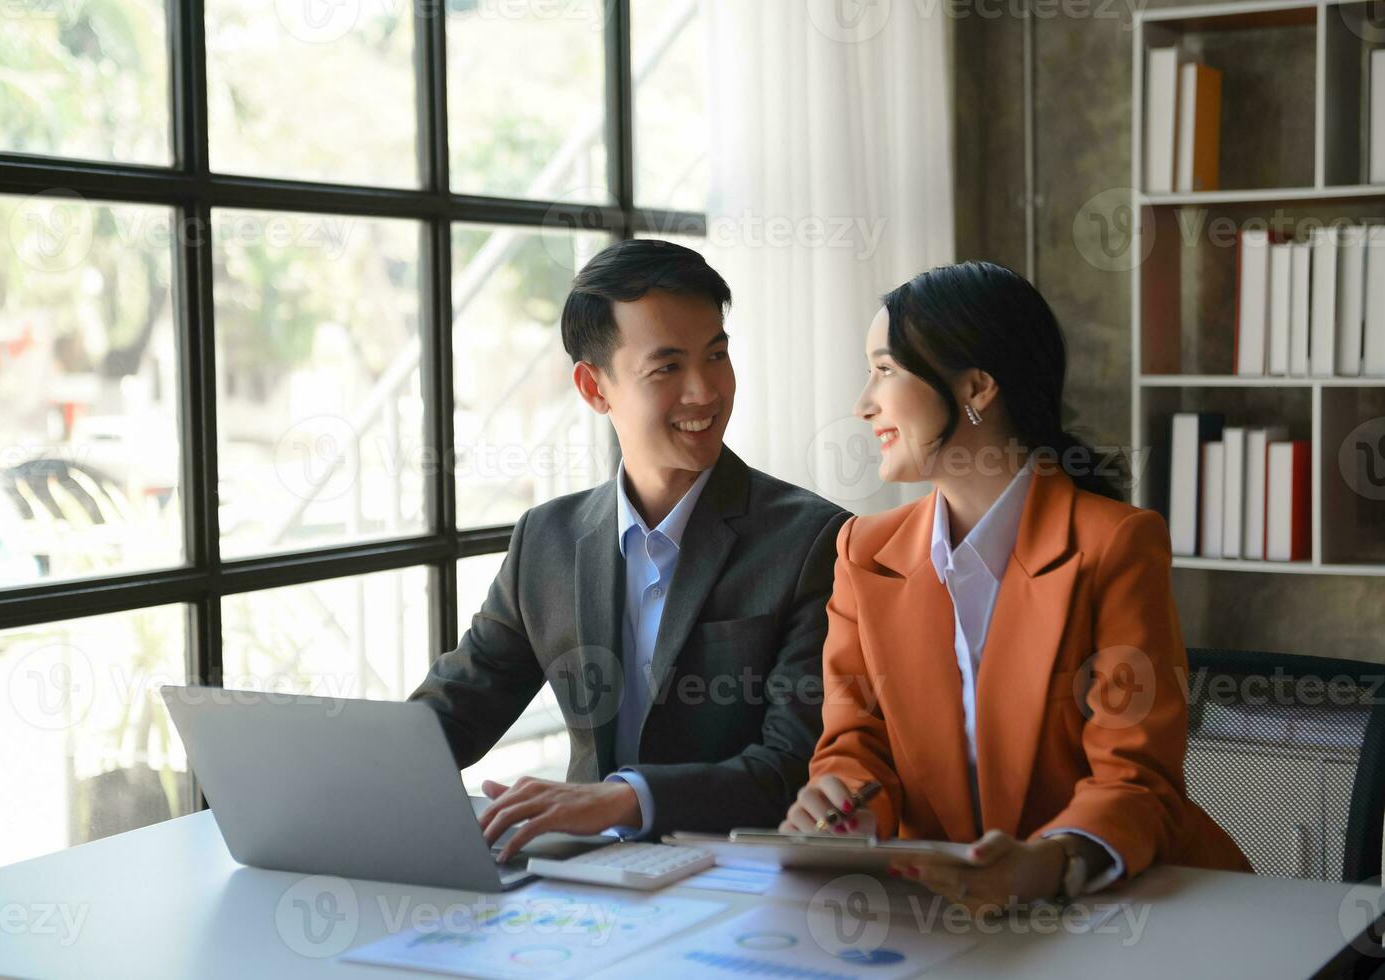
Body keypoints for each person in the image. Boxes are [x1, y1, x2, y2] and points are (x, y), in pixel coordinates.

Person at [782, 261, 1250, 910]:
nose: (864, 404)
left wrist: (1046, 863)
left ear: (976, 388)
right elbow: (857, 745)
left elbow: (1137, 782)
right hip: (944, 910)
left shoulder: (1114, 545)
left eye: (885, 370)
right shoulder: (864, 551)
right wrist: (841, 804)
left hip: (1122, 904)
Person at [412, 239, 848, 862]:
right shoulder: (547, 539)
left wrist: (622, 799)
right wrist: (338, 772)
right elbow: (459, 710)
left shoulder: (814, 542)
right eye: (667, 368)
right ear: (594, 388)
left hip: (740, 881)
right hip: (583, 883)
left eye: (717, 356)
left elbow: (792, 767)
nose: (704, 391)